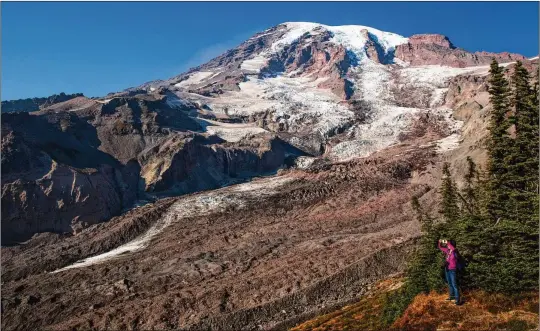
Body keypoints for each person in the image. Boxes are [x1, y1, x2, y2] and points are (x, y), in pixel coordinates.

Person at [438, 239, 461, 305]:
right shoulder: (448, 251)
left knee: (454, 284)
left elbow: (450, 245)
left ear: (451, 245)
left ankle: (457, 300)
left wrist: (445, 241)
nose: (447, 245)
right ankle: (452, 297)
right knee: (450, 283)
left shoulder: (454, 251)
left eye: (448, 244)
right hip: (447, 269)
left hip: (452, 269)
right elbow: (440, 247)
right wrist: (439, 242)